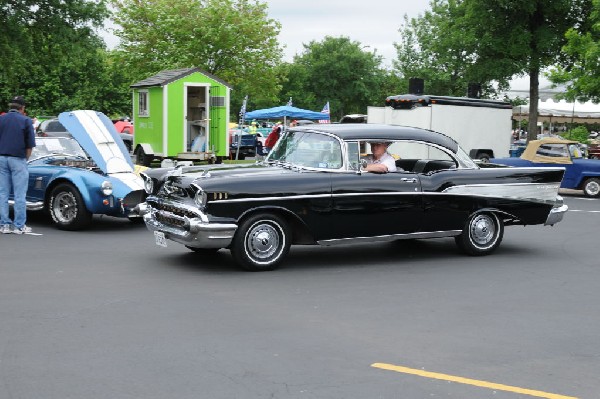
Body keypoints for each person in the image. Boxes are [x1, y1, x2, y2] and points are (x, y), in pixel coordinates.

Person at [0, 95, 36, 234]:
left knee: (3, 193)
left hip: (2, 158)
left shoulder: (1, 119)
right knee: (19, 194)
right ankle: (20, 226)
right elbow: (29, 145)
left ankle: (4, 225)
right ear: (22, 108)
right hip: (18, 158)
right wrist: (25, 159)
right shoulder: (26, 120)